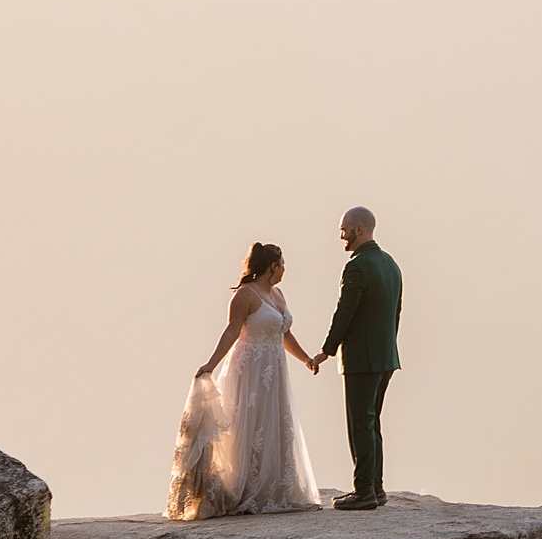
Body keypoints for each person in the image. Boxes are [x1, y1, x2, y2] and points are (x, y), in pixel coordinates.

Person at [167, 242, 325, 520]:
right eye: (282, 263)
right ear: (272, 266)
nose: (285, 268)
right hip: (250, 368)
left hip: (274, 367)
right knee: (248, 424)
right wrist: (210, 365)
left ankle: (271, 487)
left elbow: (284, 334)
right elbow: (231, 332)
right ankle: (245, 487)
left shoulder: (277, 294)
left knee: (274, 423)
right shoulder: (245, 295)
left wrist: (306, 359)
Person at [317, 206, 403, 511]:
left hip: (361, 358)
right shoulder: (390, 264)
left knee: (359, 424)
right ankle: (376, 487)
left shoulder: (357, 267)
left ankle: (364, 489)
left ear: (360, 230)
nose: (342, 235)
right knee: (372, 421)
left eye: (345, 229)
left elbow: (345, 313)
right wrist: (388, 346)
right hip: (386, 356)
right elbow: (396, 314)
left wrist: (327, 349)